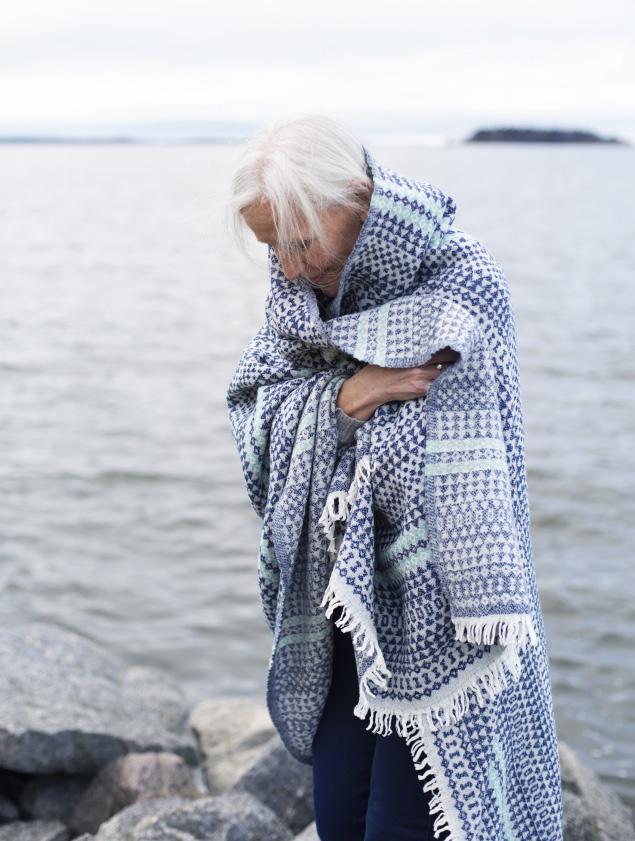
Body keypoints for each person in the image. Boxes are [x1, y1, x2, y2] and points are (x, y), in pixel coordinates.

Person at [225, 115, 563, 841]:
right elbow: (255, 404)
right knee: (340, 815)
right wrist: (348, 395)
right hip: (342, 601)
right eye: (269, 246)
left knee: (406, 824)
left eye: (298, 241)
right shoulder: (299, 297)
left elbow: (436, 449)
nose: (285, 268)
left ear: (356, 198)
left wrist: (351, 414)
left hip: (446, 607)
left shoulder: (460, 282)